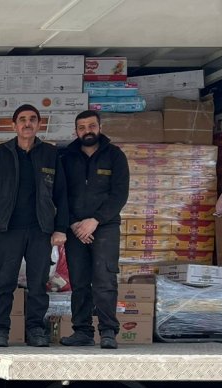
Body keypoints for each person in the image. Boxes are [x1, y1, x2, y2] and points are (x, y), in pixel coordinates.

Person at [0, 104, 69, 348]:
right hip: (8, 229)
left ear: (39, 125)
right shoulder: (2, 153)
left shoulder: (50, 154)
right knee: (4, 283)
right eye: (22, 119)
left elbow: (61, 194)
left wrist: (60, 228)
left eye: (32, 119)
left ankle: (36, 330)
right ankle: (0, 330)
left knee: (38, 283)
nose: (27, 123)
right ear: (14, 125)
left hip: (40, 229)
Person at [59, 110, 129, 350]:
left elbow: (120, 194)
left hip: (105, 226)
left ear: (99, 126)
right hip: (74, 227)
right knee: (78, 281)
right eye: (81, 127)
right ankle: (82, 331)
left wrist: (95, 220)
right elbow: (59, 194)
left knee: (104, 279)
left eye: (91, 126)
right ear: (76, 130)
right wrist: (73, 223)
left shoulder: (115, 156)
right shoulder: (66, 157)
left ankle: (108, 331)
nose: (86, 130)